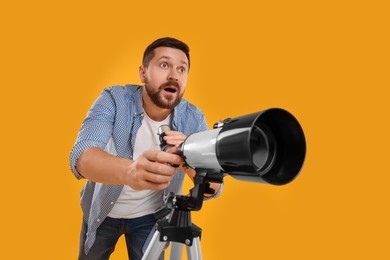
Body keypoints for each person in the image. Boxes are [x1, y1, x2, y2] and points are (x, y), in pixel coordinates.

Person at [70, 37, 222, 260]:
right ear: (143, 73)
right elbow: (81, 157)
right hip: (102, 212)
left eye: (182, 69)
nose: (173, 75)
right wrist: (131, 172)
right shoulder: (114, 99)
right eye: (164, 65)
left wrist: (188, 158)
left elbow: (215, 188)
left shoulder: (194, 118)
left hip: (150, 219)